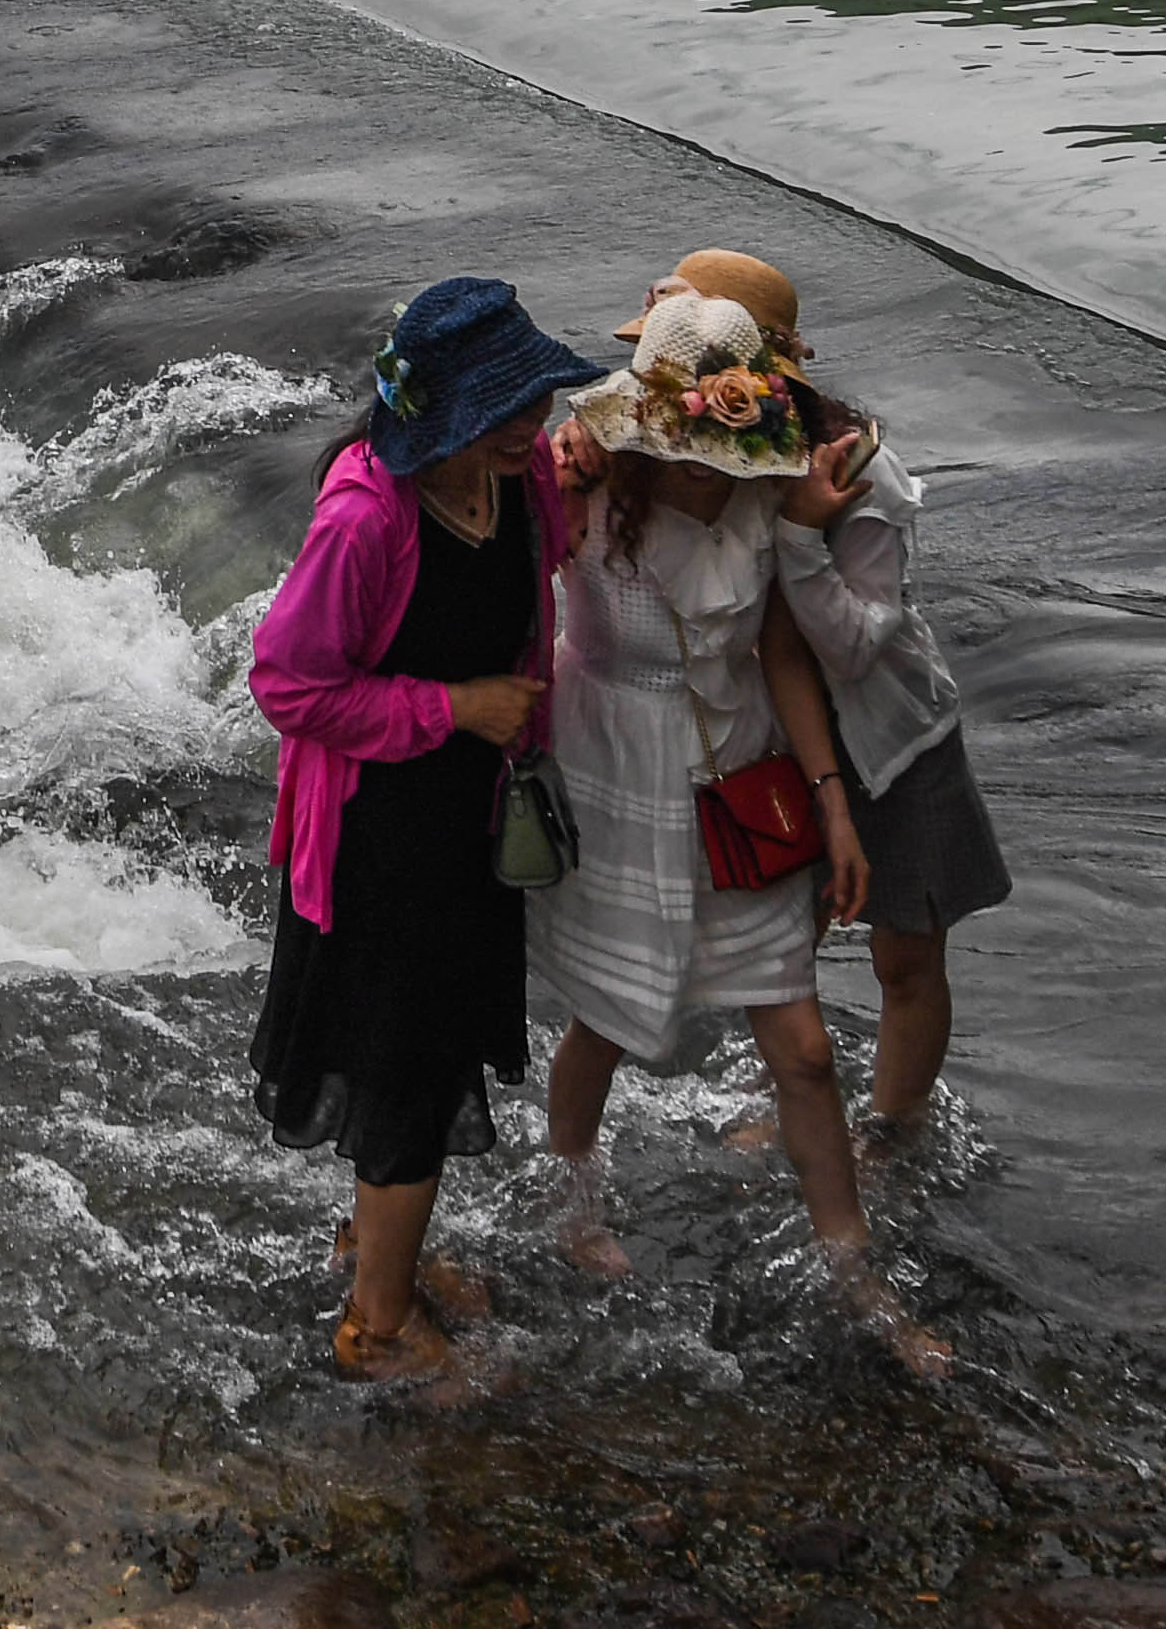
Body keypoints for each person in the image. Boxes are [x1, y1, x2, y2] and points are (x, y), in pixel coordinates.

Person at [528, 286, 945, 1375]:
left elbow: (783, 652)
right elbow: (504, 595)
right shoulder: (579, 478)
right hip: (612, 758)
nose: (713, 471)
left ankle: (855, 1273)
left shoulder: (771, 491)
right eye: (692, 451)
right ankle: (573, 1198)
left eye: (726, 450)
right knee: (609, 1017)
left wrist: (835, 803)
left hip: (738, 767)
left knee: (804, 1049)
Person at [248, 274, 595, 1385]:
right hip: (379, 843)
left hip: (467, 824)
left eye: (536, 403)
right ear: (437, 419)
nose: (534, 429)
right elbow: (288, 684)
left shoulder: (519, 475)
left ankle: (375, 1257)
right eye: (509, 411)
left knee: (426, 1057)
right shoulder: (366, 521)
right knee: (404, 1075)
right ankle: (378, 1331)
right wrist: (455, 708)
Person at [669, 246, 1013, 1155]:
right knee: (782, 938)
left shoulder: (858, 470)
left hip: (889, 738)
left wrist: (799, 536)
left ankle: (892, 1129)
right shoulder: (703, 456)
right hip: (773, 738)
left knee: (906, 949)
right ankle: (803, 1104)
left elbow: (858, 646)